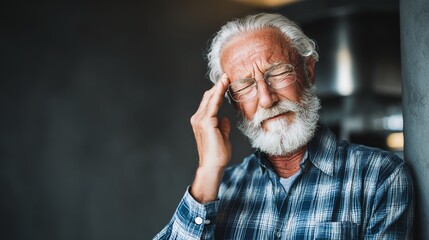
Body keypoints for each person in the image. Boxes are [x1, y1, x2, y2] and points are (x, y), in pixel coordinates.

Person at [154, 13, 414, 239]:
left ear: (308, 71)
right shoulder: (215, 191)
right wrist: (208, 171)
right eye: (245, 86)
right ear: (232, 102)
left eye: (277, 73)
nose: (266, 99)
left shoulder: (381, 177)